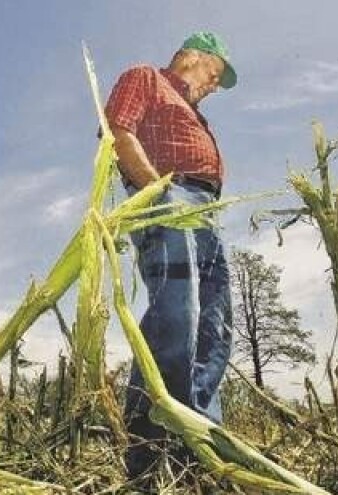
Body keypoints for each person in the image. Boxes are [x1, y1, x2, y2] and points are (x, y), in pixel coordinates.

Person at [103, 31, 237, 478]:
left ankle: (198, 445)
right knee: (179, 312)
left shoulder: (196, 114)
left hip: (206, 212)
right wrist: (157, 195)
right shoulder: (146, 78)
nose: (215, 85)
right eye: (213, 74)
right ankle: (150, 443)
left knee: (215, 325)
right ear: (189, 57)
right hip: (168, 195)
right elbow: (118, 131)